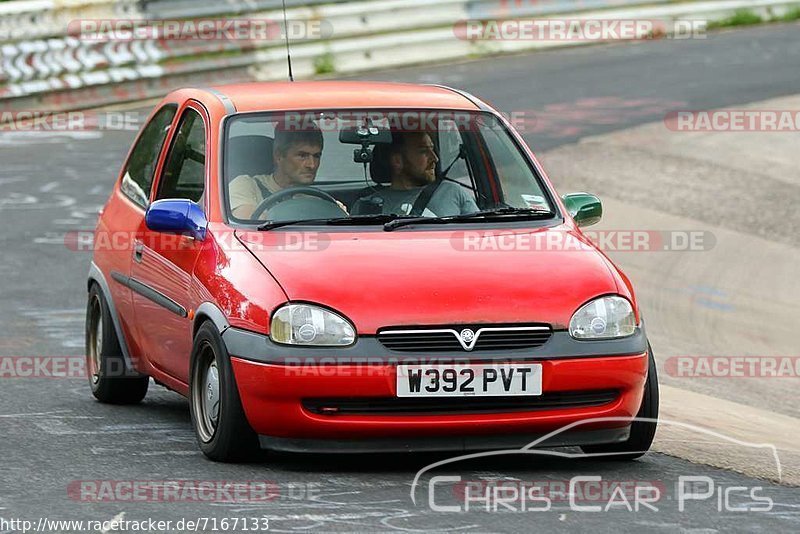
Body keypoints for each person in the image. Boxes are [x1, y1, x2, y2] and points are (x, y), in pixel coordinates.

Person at [351, 131, 479, 217]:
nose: (435, 158)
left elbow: (479, 236)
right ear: (397, 161)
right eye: (424, 151)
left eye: (432, 149)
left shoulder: (453, 193)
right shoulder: (366, 207)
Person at [229, 124, 324, 219]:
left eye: (316, 156)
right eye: (302, 156)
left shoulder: (316, 200)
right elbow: (249, 224)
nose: (312, 165)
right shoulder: (246, 185)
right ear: (278, 156)